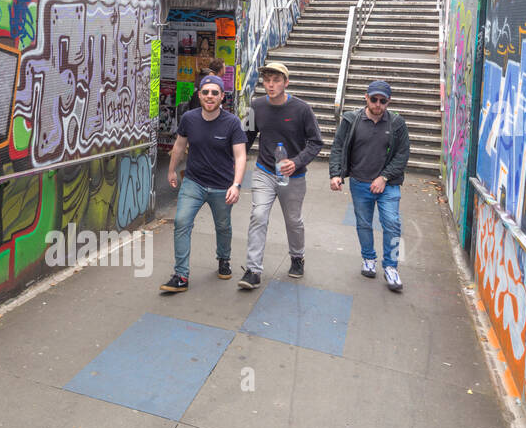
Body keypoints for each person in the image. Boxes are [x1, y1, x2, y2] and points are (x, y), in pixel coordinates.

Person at [238, 61, 322, 289]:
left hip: (293, 177)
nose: (271, 84)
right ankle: (253, 270)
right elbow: (246, 139)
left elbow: (316, 142)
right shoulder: (256, 106)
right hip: (264, 171)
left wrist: (296, 162)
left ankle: (297, 256)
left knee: (293, 221)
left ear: (286, 83)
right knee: (258, 215)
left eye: (276, 80)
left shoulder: (302, 109)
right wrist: (234, 168)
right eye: (267, 80)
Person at [161, 74, 247, 292]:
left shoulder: (232, 123)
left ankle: (224, 259)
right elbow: (180, 146)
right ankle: (181, 275)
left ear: (222, 97)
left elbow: (240, 156)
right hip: (194, 183)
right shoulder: (189, 118)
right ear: (199, 95)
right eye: (206, 92)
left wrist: (236, 185)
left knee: (223, 226)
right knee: (181, 222)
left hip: (222, 186)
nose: (210, 96)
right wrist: (171, 170)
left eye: (214, 93)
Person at [328, 80, 411, 292]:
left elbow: (402, 155)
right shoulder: (351, 119)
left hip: (388, 185)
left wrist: (384, 177)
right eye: (374, 99)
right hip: (360, 183)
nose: (378, 104)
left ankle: (392, 267)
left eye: (383, 101)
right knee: (364, 223)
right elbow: (338, 147)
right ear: (366, 97)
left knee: (393, 224)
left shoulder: (397, 123)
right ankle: (368, 259)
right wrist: (336, 174)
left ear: (388, 102)